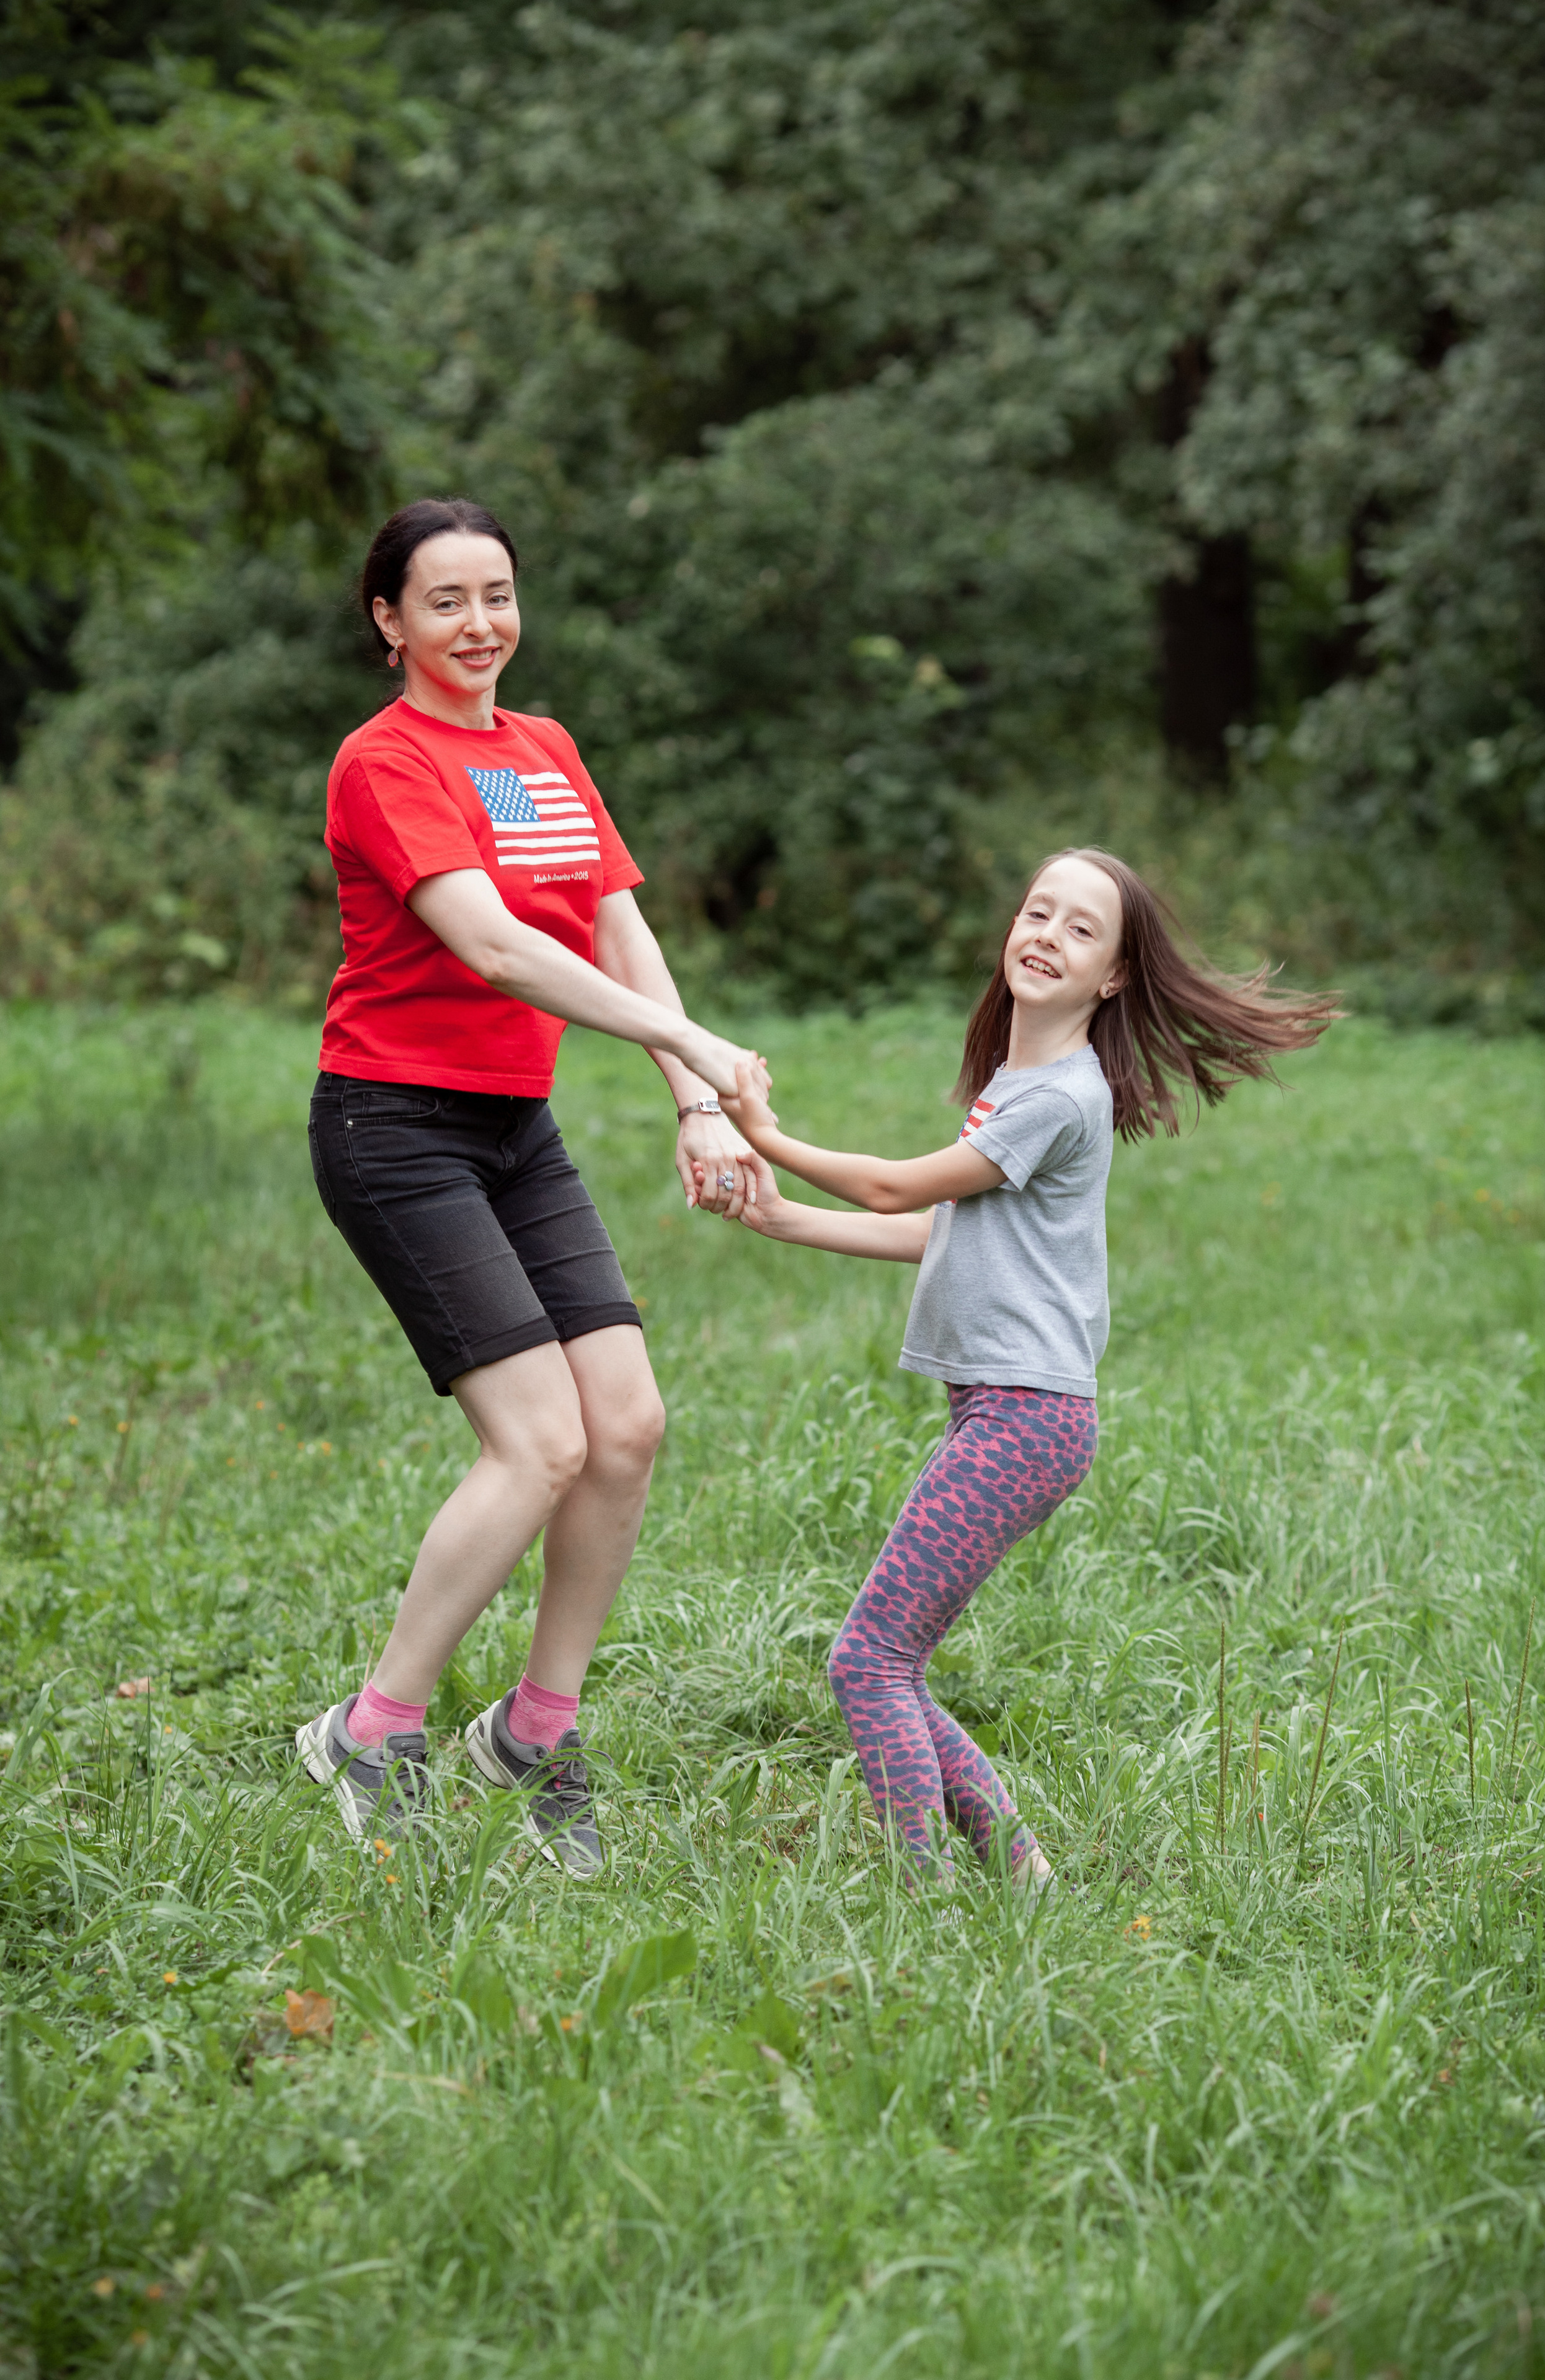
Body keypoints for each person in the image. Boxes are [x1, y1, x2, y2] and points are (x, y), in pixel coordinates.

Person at [711, 848, 1338, 1887]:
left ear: (1116, 978)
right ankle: (1023, 1875)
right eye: (1038, 911)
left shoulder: (1059, 1099)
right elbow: (943, 1233)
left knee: (868, 1662)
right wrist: (781, 1219)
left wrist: (768, 1137)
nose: (1046, 932)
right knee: (889, 1663)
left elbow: (894, 1188)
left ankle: (924, 1896)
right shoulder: (1020, 1084)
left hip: (1026, 1420)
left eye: (1081, 928)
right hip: (1006, 1416)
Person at [296, 496, 766, 1874]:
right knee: (539, 1441)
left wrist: (691, 1100)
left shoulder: (543, 751)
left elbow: (615, 923)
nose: (478, 624)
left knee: (623, 1425)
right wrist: (688, 1042)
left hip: (514, 1125)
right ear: (389, 622)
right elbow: (495, 948)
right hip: (394, 1127)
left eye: (496, 594)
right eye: (443, 601)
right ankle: (373, 1730)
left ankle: (533, 1728)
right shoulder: (380, 765)